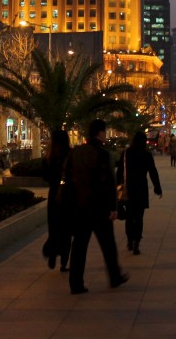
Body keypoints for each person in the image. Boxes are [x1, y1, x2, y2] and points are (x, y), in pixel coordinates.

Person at [62, 118, 129, 294]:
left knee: (79, 246)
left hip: (80, 206)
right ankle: (114, 277)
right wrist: (113, 207)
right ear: (100, 133)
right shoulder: (103, 154)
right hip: (99, 207)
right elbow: (109, 182)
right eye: (105, 132)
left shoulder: (76, 152)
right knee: (108, 244)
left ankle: (75, 283)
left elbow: (67, 179)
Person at [115, 131, 162, 255]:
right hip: (141, 188)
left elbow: (119, 172)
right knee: (139, 217)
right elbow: (153, 172)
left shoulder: (126, 153)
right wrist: (158, 188)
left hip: (128, 189)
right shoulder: (146, 154)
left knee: (129, 216)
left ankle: (130, 239)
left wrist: (117, 187)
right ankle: (136, 243)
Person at [43, 129, 72, 272]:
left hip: (53, 194)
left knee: (54, 227)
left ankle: (52, 253)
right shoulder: (70, 154)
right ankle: (64, 263)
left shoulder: (49, 157)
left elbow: (45, 176)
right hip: (67, 196)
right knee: (66, 229)